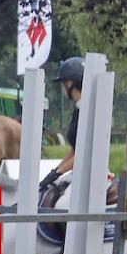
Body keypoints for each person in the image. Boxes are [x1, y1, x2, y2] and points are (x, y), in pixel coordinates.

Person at [44, 56, 85, 187]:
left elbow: (84, 153)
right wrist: (55, 171)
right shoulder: (78, 110)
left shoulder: (87, 112)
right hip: (78, 172)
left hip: (88, 175)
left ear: (69, 83)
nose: (62, 89)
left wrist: (59, 172)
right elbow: (75, 149)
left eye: (62, 84)